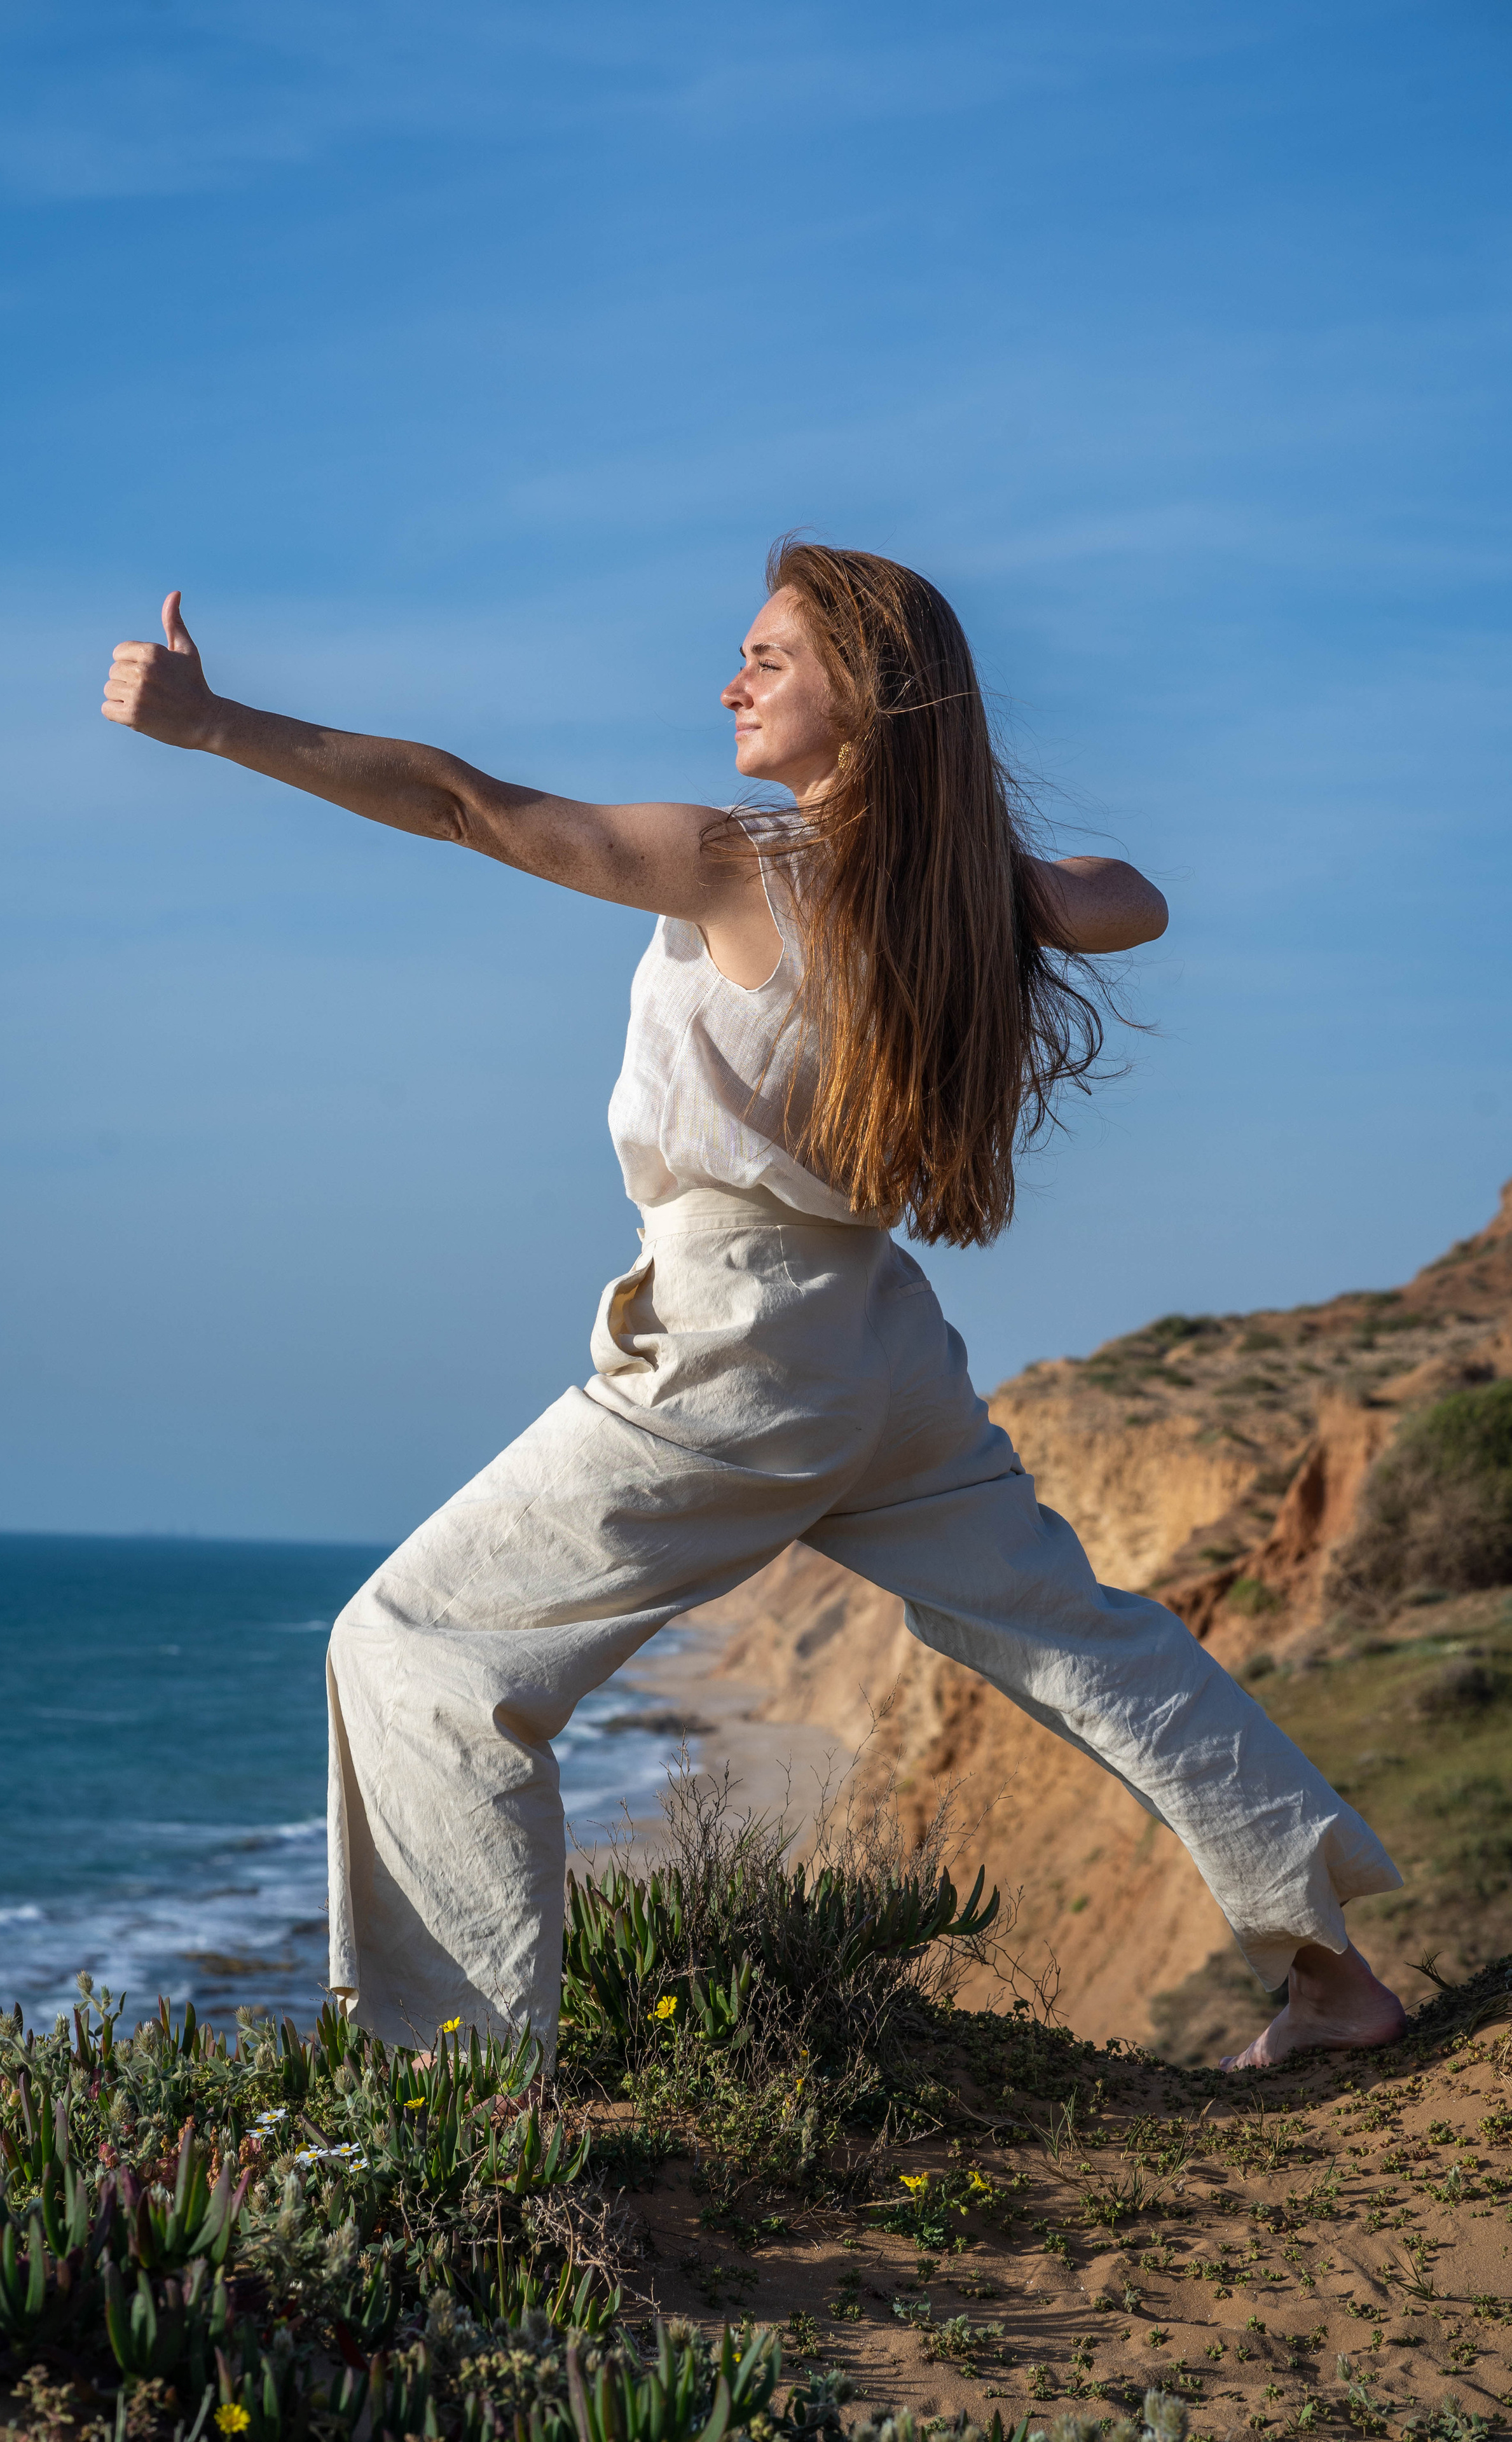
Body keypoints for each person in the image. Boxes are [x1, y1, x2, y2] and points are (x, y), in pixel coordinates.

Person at [103, 541, 1408, 2074]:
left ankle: (452, 2087)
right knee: (1087, 1645)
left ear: (870, 696)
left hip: (743, 1339)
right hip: (883, 1345)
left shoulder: (747, 864)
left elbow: (464, 803)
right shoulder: (958, 891)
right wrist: (978, 860)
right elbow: (1134, 903)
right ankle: (1328, 1973)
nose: (730, 680)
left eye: (770, 659)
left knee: (414, 1650)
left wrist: (214, 726)